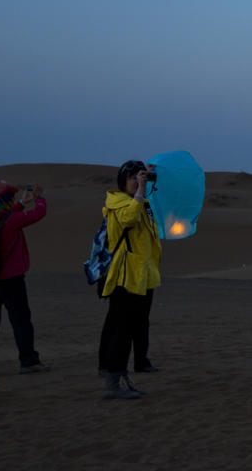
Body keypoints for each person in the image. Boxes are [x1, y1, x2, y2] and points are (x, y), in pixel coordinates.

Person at [99, 160, 162, 399]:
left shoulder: (142, 203)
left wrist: (147, 185)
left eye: (140, 177)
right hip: (125, 277)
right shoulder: (117, 203)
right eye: (133, 178)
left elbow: (150, 228)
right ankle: (113, 383)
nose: (137, 182)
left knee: (134, 326)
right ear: (123, 180)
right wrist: (140, 191)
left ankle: (122, 372)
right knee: (121, 330)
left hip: (142, 276)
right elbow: (129, 219)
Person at [0, 180, 49, 375]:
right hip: (10, 279)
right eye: (11, 198)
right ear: (6, 200)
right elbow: (39, 213)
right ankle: (28, 361)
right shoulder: (10, 221)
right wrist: (39, 198)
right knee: (21, 320)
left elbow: (5, 216)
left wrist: (22, 203)